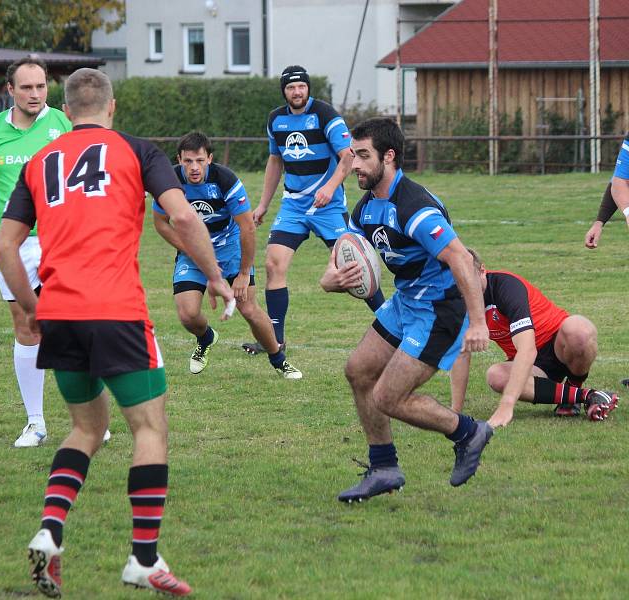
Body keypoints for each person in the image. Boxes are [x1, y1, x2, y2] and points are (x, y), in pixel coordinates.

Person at [0, 68, 235, 598]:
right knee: (149, 429)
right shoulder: (138, 151)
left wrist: (34, 309)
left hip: (61, 314)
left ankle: (49, 532)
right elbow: (185, 218)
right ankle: (143, 559)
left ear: (65, 108)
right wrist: (216, 275)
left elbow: (4, 248)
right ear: (111, 106)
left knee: (86, 429)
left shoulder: (38, 161)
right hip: (117, 311)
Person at [319, 118, 492, 503]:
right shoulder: (367, 208)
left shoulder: (414, 206)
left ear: (389, 157)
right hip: (407, 301)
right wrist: (330, 279)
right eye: (352, 155)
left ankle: (468, 432)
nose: (355, 165)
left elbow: (462, 259)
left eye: (363, 156)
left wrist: (478, 322)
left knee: (388, 397)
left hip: (439, 309)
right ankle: (383, 467)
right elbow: (346, 251)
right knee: (359, 370)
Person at [0, 57, 109, 448]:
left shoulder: (64, 124)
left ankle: (94, 420)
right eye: (26, 87)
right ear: (10, 90)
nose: (35, 94)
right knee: (28, 326)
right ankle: (36, 423)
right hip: (12, 244)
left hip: (64, 240)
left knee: (76, 324)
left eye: (41, 86)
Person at [242, 65, 385, 356]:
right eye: (291, 87)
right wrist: (263, 205)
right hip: (293, 205)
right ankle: (275, 340)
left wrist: (330, 188)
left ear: (308, 88)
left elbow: (347, 156)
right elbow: (274, 161)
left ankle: (392, 322)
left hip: (328, 206)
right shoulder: (276, 119)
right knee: (273, 265)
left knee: (355, 265)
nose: (297, 92)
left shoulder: (325, 115)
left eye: (302, 87)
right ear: (284, 91)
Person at [153, 131, 302, 379]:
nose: (194, 167)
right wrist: (191, 249)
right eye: (188, 161)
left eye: (200, 160)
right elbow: (160, 222)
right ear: (179, 160)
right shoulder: (169, 181)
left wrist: (244, 273)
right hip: (193, 251)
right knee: (188, 315)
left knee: (248, 309)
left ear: (210, 159)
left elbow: (247, 227)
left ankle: (279, 359)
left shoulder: (225, 180)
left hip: (230, 247)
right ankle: (206, 338)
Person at [449, 248, 618, 424]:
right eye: (459, 282)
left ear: (482, 270)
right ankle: (586, 396)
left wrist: (507, 405)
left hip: (559, 345)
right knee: (496, 376)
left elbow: (527, 349)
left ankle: (573, 387)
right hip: (536, 365)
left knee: (580, 331)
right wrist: (455, 413)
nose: (465, 288)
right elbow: (461, 354)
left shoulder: (506, 286)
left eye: (469, 279)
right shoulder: (458, 302)